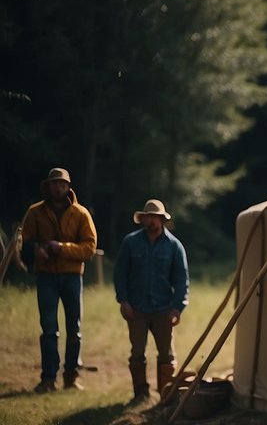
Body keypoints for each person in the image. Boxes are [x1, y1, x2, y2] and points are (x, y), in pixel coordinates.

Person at [21, 167, 98, 393]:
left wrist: (61, 248)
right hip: (45, 276)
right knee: (48, 328)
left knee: (74, 328)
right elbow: (23, 243)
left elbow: (89, 248)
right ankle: (48, 379)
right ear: (48, 186)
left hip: (72, 277)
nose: (58, 187)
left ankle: (71, 376)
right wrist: (36, 250)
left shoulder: (81, 214)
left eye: (62, 184)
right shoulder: (34, 212)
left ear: (68, 187)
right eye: (55, 184)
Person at [114, 199, 189, 405]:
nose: (152, 220)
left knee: (166, 355)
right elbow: (120, 274)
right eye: (149, 216)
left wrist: (177, 308)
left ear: (162, 219)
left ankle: (166, 395)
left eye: (156, 217)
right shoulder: (130, 242)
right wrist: (124, 301)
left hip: (164, 310)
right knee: (137, 353)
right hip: (136, 308)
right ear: (143, 219)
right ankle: (140, 394)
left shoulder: (174, 246)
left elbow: (182, 280)